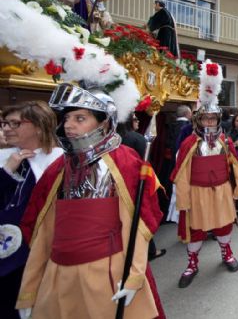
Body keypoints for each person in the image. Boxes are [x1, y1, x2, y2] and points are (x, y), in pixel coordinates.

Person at [16, 83, 165, 319]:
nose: (69, 125)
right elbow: (43, 231)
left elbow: (137, 226)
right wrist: (30, 288)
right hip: (60, 276)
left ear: (104, 121)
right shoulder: (58, 168)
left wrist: (134, 275)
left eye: (80, 118)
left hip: (106, 272)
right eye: (67, 118)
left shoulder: (125, 161)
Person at [171, 60, 238, 288]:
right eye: (206, 118)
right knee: (196, 229)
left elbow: (236, 166)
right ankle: (192, 263)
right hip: (197, 193)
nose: (210, 122)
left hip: (222, 190)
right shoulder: (189, 143)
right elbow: (181, 173)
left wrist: (237, 187)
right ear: (198, 120)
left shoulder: (225, 141)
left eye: (213, 118)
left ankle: (227, 254)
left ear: (218, 120)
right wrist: (183, 199)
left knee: (223, 224)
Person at [0, 102, 62, 319]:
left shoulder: (59, 160)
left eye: (14, 123)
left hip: (38, 251)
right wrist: (7, 170)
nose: (6, 128)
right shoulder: (8, 157)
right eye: (5, 123)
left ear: (38, 126)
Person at [117, 114, 166, 263]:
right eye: (135, 119)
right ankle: (149, 250)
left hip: (120, 185)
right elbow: (146, 162)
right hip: (135, 183)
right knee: (141, 217)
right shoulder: (137, 138)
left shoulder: (117, 138)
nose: (138, 122)